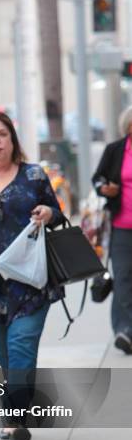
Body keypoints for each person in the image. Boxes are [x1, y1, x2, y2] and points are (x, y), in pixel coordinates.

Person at [0, 111, 63, 440]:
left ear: (12, 140)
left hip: (31, 281)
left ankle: (16, 417)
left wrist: (48, 213)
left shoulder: (33, 176)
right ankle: (11, 416)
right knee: (2, 355)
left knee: (22, 346)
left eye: (2, 134)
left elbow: (57, 210)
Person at [92, 106, 132, 355]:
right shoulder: (115, 150)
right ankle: (125, 330)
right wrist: (105, 188)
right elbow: (98, 179)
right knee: (124, 277)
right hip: (122, 226)